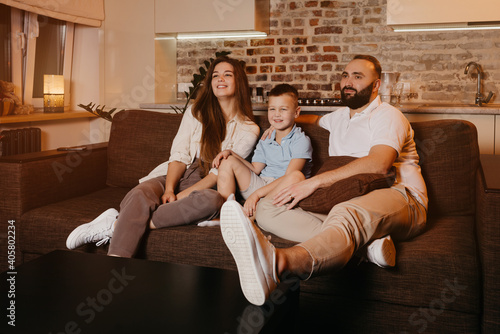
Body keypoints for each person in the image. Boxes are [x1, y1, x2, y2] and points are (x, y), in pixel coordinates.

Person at [219, 55, 428, 306]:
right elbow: (308, 119)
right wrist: (277, 126)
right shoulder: (338, 117)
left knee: (346, 211)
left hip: (402, 197)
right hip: (349, 197)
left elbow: (379, 164)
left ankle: (277, 264)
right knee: (268, 207)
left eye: (358, 77)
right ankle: (365, 246)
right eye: (345, 75)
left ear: (376, 85)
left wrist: (316, 182)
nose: (348, 82)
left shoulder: (388, 115)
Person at [66, 56, 261, 258]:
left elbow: (216, 175)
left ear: (239, 81)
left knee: (212, 201)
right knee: (140, 193)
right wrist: (169, 189)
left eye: (227, 75)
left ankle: (115, 224)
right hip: (178, 172)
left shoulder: (249, 129)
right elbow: (179, 154)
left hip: (206, 184)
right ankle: (116, 262)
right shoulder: (196, 112)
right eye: (215, 75)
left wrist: (178, 198)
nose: (220, 79)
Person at [212, 83, 312, 218]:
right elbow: (255, 169)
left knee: (293, 179)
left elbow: (290, 177)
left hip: (282, 191)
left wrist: (257, 195)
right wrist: (231, 153)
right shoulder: (266, 138)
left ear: (296, 112)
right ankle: (226, 214)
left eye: (283, 109)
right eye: (272, 109)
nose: (277, 114)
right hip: (261, 185)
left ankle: (248, 215)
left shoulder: (301, 140)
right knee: (227, 160)